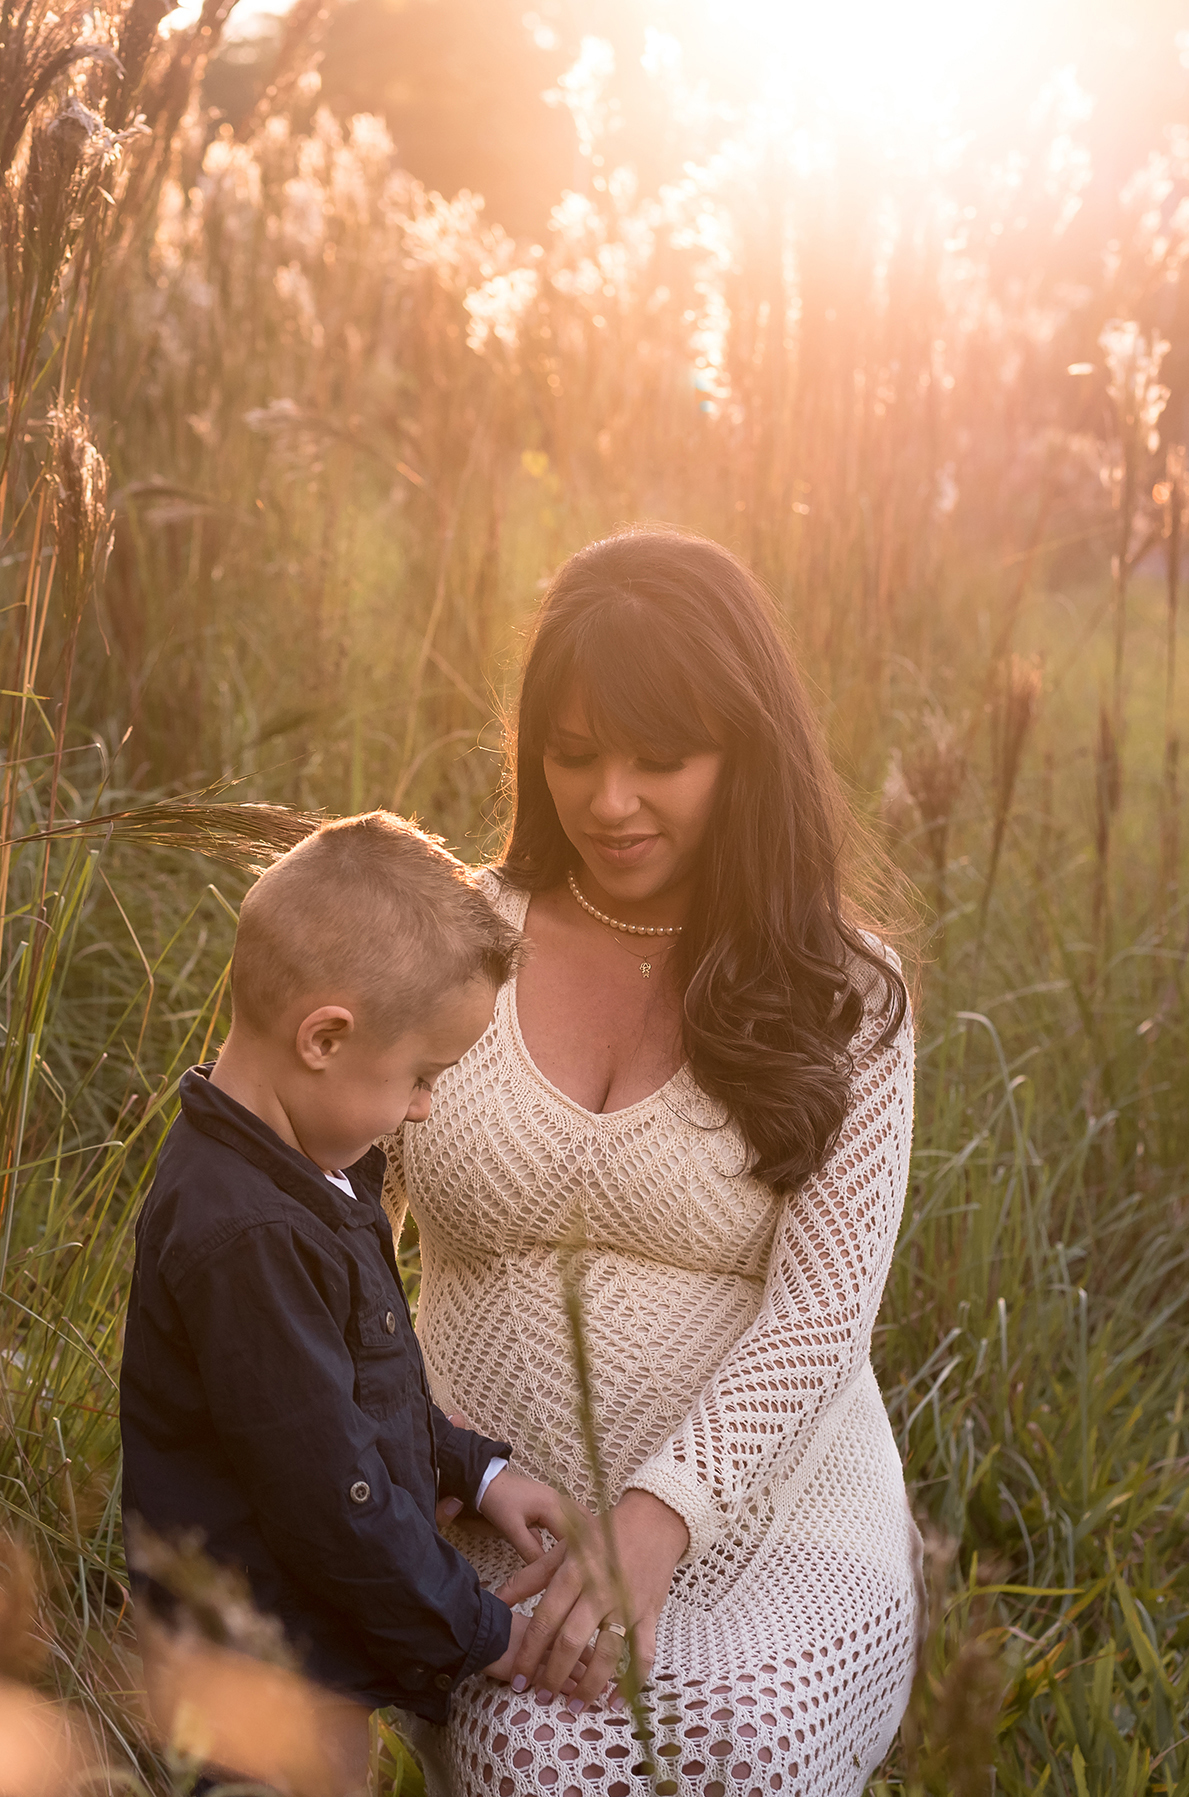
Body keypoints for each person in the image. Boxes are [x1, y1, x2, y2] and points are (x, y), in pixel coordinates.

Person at [383, 529, 924, 1797]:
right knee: (546, 1758)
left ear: (746, 753)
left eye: (659, 759)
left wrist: (663, 1513)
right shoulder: (452, 942)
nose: (610, 800)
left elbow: (825, 1311)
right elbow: (325, 1212)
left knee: (752, 1747)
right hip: (499, 1515)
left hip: (774, 1522)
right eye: (574, 755)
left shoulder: (847, 992)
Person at [119, 812, 571, 1785]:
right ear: (325, 1037)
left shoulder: (311, 1170)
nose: (423, 1108)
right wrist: (486, 1630)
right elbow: (336, 1497)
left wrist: (477, 1474)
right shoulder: (249, 1237)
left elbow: (357, 1386)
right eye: (418, 1076)